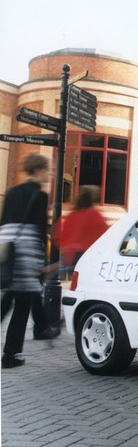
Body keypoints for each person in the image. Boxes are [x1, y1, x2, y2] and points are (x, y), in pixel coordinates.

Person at [0, 153, 58, 368]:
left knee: (8, 299)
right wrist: (42, 259)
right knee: (22, 304)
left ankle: (12, 353)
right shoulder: (39, 195)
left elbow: (3, 221)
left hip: (8, 247)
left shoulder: (12, 191)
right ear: (38, 169)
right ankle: (10, 356)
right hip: (26, 251)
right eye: (47, 169)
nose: (49, 173)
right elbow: (40, 230)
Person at [51, 185, 109, 278]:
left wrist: (66, 247)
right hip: (86, 255)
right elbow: (105, 236)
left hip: (68, 254)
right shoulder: (95, 214)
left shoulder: (71, 215)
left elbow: (57, 235)